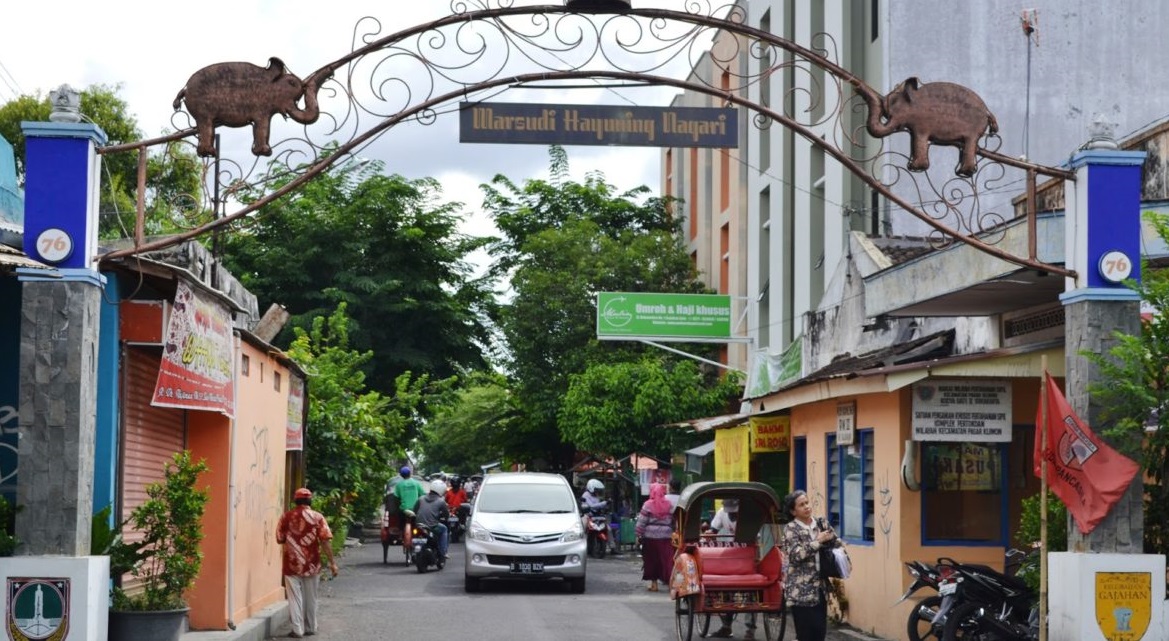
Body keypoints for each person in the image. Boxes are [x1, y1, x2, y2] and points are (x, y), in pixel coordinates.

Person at [275, 488, 338, 638]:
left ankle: (297, 629)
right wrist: (332, 563)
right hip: (312, 563)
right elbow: (325, 541)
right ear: (310, 501)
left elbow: (279, 538)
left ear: (295, 501)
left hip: (291, 564)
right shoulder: (318, 517)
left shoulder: (286, 517)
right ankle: (311, 627)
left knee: (294, 597)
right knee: (311, 597)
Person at [781, 489, 842, 641]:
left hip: (819, 587)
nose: (807, 507)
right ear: (793, 511)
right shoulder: (790, 529)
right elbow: (796, 555)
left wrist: (832, 541)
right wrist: (818, 542)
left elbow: (836, 542)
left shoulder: (821, 523)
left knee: (819, 633)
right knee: (805, 635)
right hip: (799, 590)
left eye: (807, 502)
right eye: (801, 505)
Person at [708, 498, 757, 639]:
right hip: (728, 556)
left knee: (751, 592)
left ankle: (750, 629)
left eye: (735, 512)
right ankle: (726, 626)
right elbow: (713, 530)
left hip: (747, 555)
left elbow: (755, 537)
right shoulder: (722, 513)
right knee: (725, 589)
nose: (733, 515)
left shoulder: (747, 516)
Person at [635, 482, 673, 592]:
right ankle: (670, 584)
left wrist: (638, 535)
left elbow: (641, 522)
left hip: (650, 537)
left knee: (652, 561)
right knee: (666, 561)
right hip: (666, 537)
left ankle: (654, 584)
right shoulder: (669, 505)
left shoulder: (647, 505)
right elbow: (673, 522)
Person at [413, 479, 452, 560]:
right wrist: (447, 518)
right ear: (441, 490)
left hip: (419, 524)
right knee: (444, 529)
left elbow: (415, 511)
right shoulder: (441, 501)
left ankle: (413, 551)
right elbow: (446, 514)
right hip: (432, 526)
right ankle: (443, 552)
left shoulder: (421, 498)